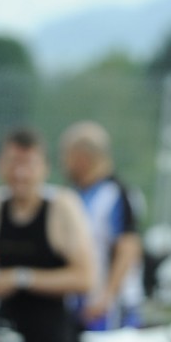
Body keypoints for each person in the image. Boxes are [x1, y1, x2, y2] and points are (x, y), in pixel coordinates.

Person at [0, 127, 95, 342]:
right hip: (2, 336)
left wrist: (21, 278)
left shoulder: (62, 208)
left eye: (29, 164)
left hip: (49, 340)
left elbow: (84, 278)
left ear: (45, 168)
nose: (20, 173)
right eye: (13, 163)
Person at [59, 121, 143, 329]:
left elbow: (128, 247)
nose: (64, 163)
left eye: (67, 156)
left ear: (83, 157)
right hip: (77, 301)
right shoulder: (72, 194)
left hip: (108, 306)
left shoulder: (117, 194)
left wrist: (107, 296)